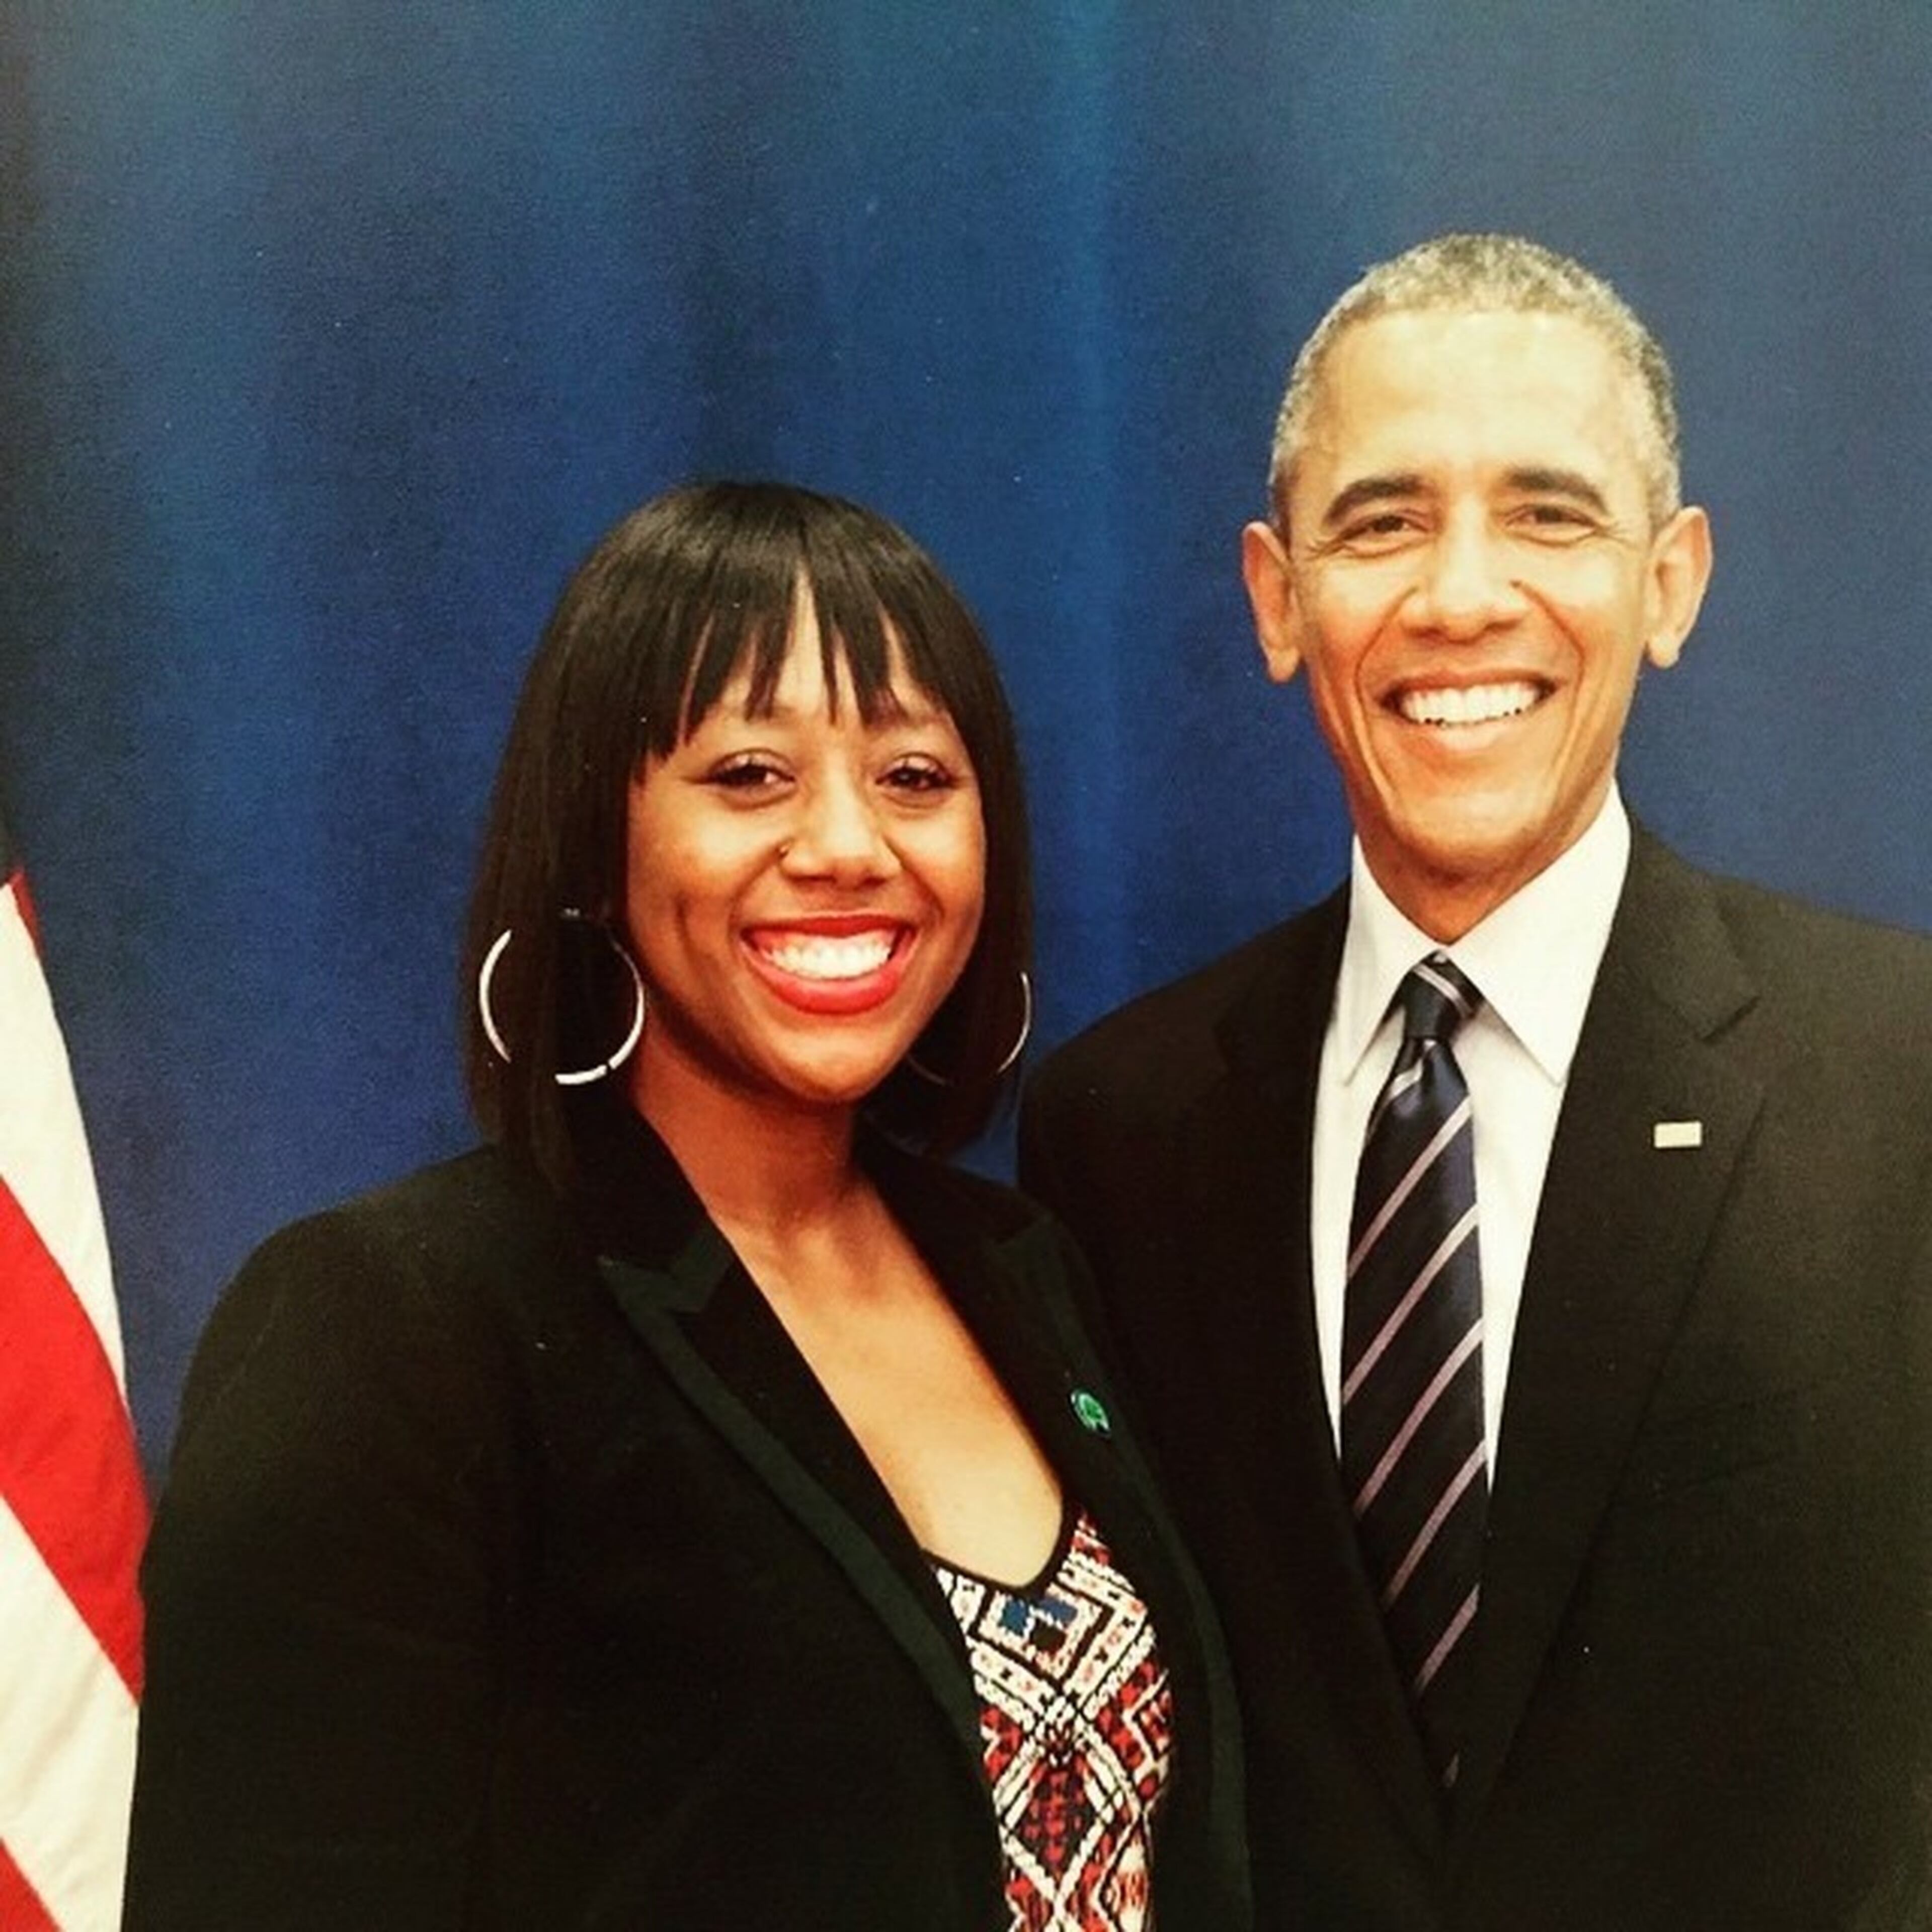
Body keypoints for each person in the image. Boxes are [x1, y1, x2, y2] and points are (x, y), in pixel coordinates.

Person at [123, 482, 1249, 1929]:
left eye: (914, 775)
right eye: (749, 775)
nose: (849, 846)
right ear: (599, 846)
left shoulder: (1021, 1266)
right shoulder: (392, 1325)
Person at [1020, 235, 1932, 1931]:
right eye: (1379, 522)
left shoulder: (1905, 1077)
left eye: (1549, 513)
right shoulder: (1118, 1125)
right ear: (1278, 600)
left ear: (1672, 585)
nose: (1459, 595)